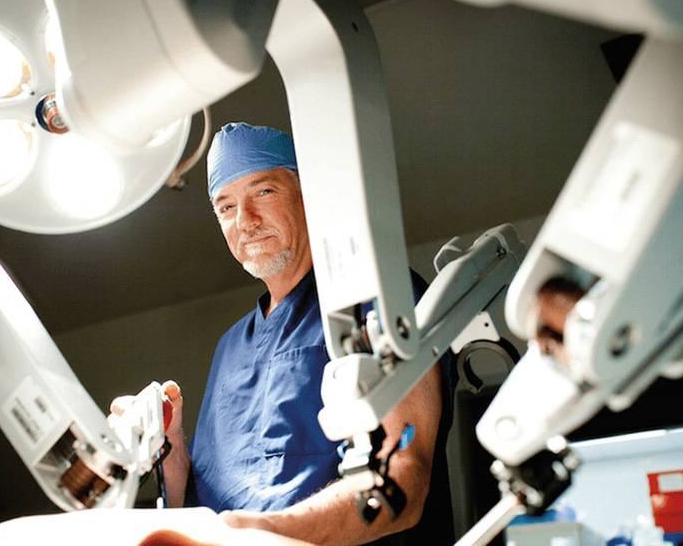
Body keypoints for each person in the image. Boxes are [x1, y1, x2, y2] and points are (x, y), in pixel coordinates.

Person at [154, 122, 457, 545]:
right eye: (225, 207)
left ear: (309, 195)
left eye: (263, 192)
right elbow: (202, 498)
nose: (245, 221)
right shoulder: (229, 349)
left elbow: (403, 483)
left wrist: (269, 535)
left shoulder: (379, 297)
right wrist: (168, 448)